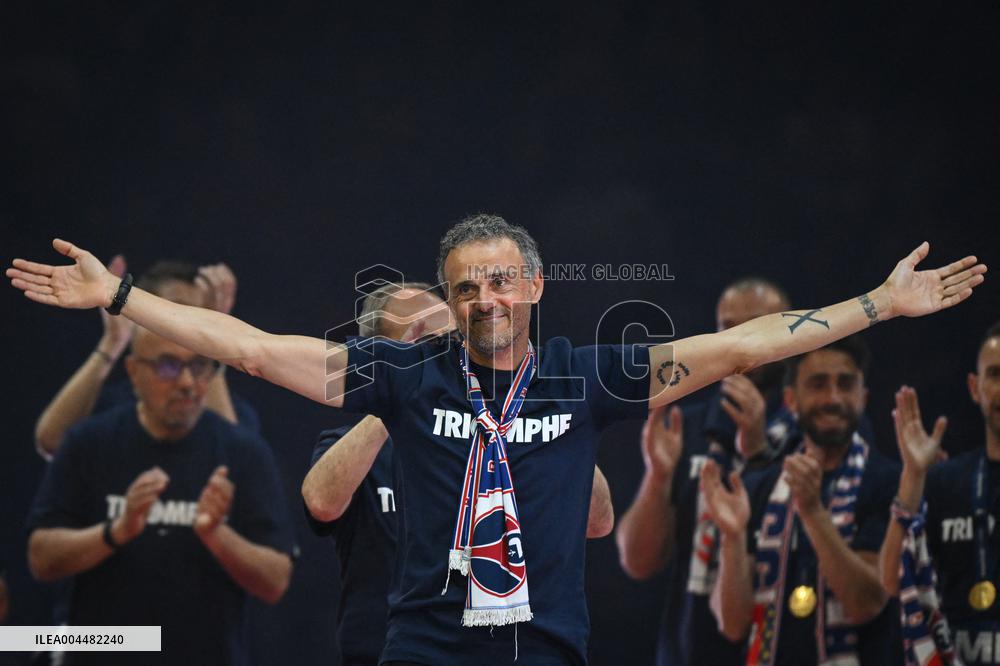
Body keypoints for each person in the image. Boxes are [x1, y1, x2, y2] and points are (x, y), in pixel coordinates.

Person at [7, 216, 985, 664]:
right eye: (465, 282)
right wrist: (123, 299)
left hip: (549, 647)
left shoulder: (581, 374)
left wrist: (879, 305)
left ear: (533, 287)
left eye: (499, 279)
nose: (483, 297)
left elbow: (742, 345)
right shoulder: (399, 375)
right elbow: (256, 352)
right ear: (452, 296)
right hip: (425, 648)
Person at [301, 281, 616, 665]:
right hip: (387, 649)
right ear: (378, 356)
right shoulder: (351, 443)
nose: (442, 353)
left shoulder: (502, 437)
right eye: (422, 344)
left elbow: (598, 522)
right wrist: (397, 393)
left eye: (449, 338)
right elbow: (320, 502)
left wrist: (548, 415)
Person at [25, 323, 294, 665]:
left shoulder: (244, 452)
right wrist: (115, 531)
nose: (186, 382)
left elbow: (275, 582)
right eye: (168, 365)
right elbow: (40, 559)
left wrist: (216, 535)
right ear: (134, 371)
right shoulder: (88, 442)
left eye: (198, 366)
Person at [616, 277, 794, 665]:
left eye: (756, 324)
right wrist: (658, 476)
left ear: (786, 331)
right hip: (689, 651)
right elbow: (637, 562)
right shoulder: (686, 426)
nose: (741, 338)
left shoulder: (810, 431)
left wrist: (761, 452)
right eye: (727, 328)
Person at [701, 336, 901, 665]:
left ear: (863, 397)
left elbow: (866, 603)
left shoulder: (887, 481)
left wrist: (812, 512)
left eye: (845, 384)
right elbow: (733, 625)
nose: (832, 398)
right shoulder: (758, 485)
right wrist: (733, 537)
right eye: (818, 384)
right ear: (791, 399)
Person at [33, 258, 256, 459]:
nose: (189, 324)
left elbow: (236, 461)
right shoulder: (112, 406)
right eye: (175, 309)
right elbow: (51, 442)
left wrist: (213, 339)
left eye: (199, 313)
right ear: (142, 314)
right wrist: (113, 341)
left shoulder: (235, 410)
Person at [879, 323, 1000, 665]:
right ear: (975, 388)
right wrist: (913, 476)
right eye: (995, 374)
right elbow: (890, 580)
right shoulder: (945, 480)